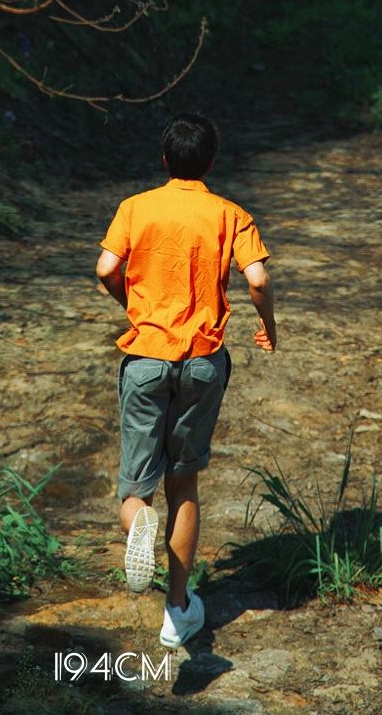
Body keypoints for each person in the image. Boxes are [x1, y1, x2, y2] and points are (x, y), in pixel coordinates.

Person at [95, 111, 277, 649]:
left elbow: (106, 268)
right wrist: (268, 328)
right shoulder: (230, 214)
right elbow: (259, 278)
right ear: (211, 163)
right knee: (186, 481)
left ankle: (138, 524)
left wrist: (135, 308)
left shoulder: (136, 207)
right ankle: (177, 612)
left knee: (134, 487)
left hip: (146, 358)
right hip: (202, 362)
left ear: (165, 160)